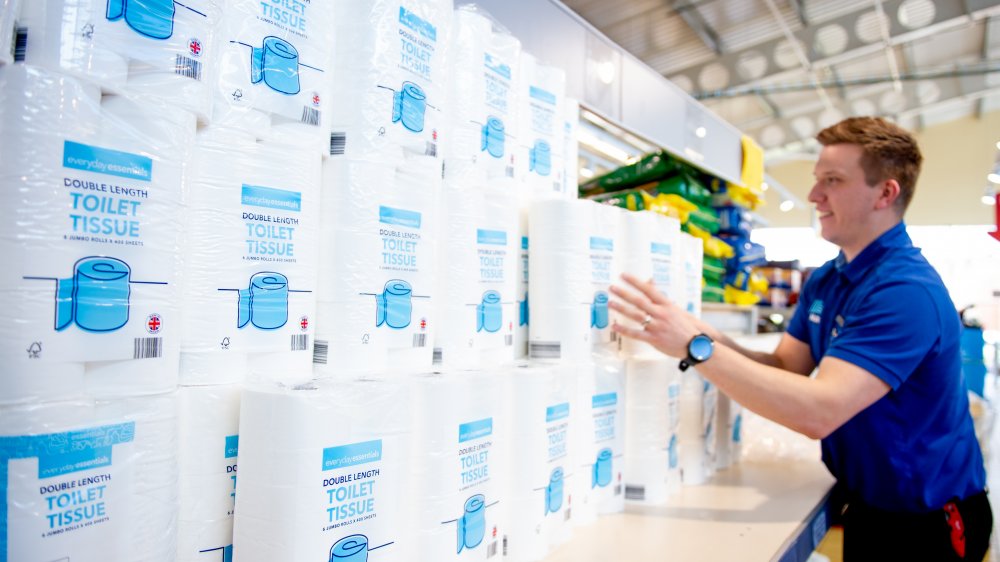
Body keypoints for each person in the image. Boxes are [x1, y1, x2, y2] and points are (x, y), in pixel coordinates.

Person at [609, 116, 992, 561]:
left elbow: (819, 411)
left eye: (832, 181)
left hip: (925, 522)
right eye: (816, 180)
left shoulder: (904, 291)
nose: (814, 196)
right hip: (869, 504)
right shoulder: (830, 278)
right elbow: (787, 368)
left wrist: (698, 351)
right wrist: (707, 335)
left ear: (885, 193)